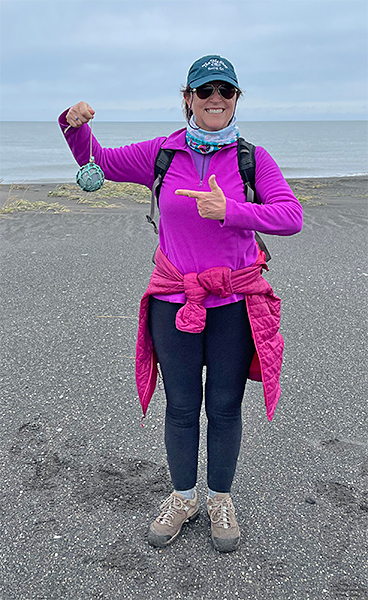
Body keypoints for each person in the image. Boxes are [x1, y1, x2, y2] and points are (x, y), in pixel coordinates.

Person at [59, 54, 303, 553]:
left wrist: (230, 210)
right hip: (175, 301)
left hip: (234, 302)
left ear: (236, 100)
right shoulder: (162, 154)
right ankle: (182, 496)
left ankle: (219, 498)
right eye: (205, 90)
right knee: (182, 406)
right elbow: (97, 163)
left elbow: (290, 215)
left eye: (226, 91)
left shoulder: (253, 159)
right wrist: (73, 126)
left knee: (226, 407)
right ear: (187, 98)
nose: (216, 99)